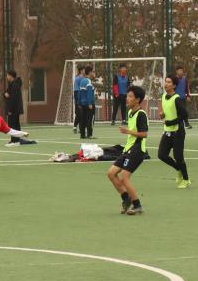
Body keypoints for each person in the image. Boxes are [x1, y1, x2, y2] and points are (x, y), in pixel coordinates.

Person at [106, 85, 148, 216]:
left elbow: (144, 134)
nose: (127, 98)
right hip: (128, 149)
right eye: (128, 96)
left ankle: (138, 205)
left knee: (124, 177)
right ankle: (126, 198)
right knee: (111, 173)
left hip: (137, 150)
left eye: (130, 96)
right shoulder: (130, 113)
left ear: (138, 99)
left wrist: (128, 131)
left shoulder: (141, 114)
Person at [158, 75, 191, 189]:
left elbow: (184, 114)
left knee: (178, 157)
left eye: (169, 82)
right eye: (165, 81)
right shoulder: (163, 96)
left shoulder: (177, 99)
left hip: (178, 132)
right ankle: (178, 169)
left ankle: (186, 179)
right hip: (167, 132)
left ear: (174, 85)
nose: (166, 84)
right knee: (161, 155)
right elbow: (168, 111)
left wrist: (171, 122)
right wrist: (163, 114)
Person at [75, 65, 96, 139]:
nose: (94, 73)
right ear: (90, 72)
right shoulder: (88, 81)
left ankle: (82, 135)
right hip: (88, 104)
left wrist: (79, 103)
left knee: (83, 119)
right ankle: (89, 134)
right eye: (93, 72)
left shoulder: (82, 81)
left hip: (82, 104)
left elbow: (79, 92)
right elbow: (89, 93)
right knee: (90, 119)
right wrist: (90, 103)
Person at [4, 69, 23, 137]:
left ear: (11, 76)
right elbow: (7, 93)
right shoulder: (11, 85)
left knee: (13, 125)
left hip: (14, 110)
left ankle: (15, 140)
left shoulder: (14, 85)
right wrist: (5, 94)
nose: (7, 77)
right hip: (14, 109)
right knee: (13, 124)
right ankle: (15, 139)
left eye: (7, 75)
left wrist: (10, 110)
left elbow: (13, 99)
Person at [175, 64, 193, 129]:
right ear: (176, 71)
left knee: (184, 111)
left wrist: (188, 96)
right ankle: (177, 124)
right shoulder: (174, 79)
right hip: (176, 98)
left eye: (181, 71)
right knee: (177, 112)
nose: (181, 72)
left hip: (183, 98)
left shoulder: (185, 79)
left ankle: (186, 124)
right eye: (179, 70)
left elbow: (187, 88)